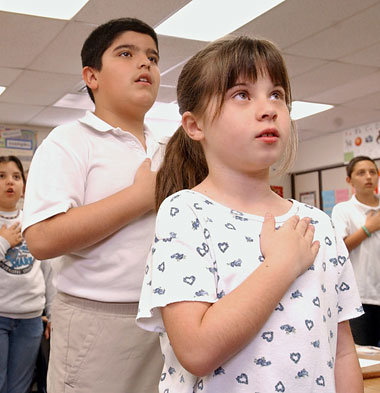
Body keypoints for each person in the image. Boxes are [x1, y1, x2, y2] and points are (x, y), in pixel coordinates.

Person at [136, 36, 364, 393]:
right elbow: (196, 350)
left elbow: (343, 350)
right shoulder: (185, 212)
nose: (268, 108)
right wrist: (281, 265)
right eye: (241, 94)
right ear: (195, 126)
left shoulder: (318, 223)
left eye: (277, 94)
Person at [22, 18, 164, 393]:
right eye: (126, 53)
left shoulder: (170, 149)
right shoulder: (69, 141)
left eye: (152, 56)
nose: (145, 63)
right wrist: (137, 199)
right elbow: (41, 238)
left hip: (167, 316)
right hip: (96, 320)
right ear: (92, 76)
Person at [0, 155, 55, 393]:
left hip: (31, 319)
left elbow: (48, 269)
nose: (9, 182)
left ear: (24, 185)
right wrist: (3, 242)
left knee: (19, 387)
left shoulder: (33, 221)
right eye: (1, 176)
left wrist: (52, 314)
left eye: (16, 176)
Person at [332, 155, 380, 346]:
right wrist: (369, 228)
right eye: (361, 173)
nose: (368, 177)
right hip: (360, 299)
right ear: (349, 180)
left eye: (372, 172)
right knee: (363, 359)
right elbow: (339, 249)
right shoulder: (343, 210)